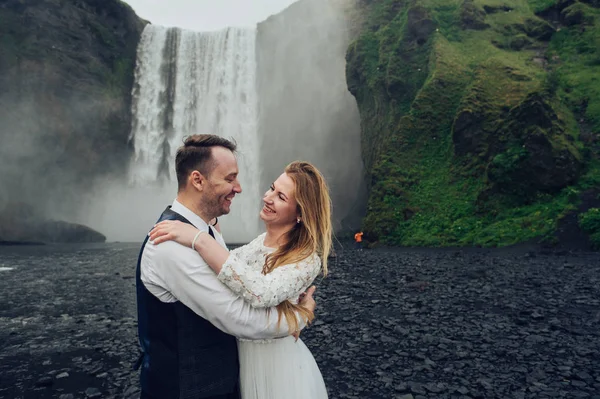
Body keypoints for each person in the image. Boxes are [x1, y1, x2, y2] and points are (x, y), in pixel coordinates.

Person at [135, 134, 317, 399]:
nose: (240, 188)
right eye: (229, 179)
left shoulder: (205, 231)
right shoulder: (171, 245)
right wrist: (302, 315)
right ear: (197, 180)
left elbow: (237, 277)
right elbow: (242, 318)